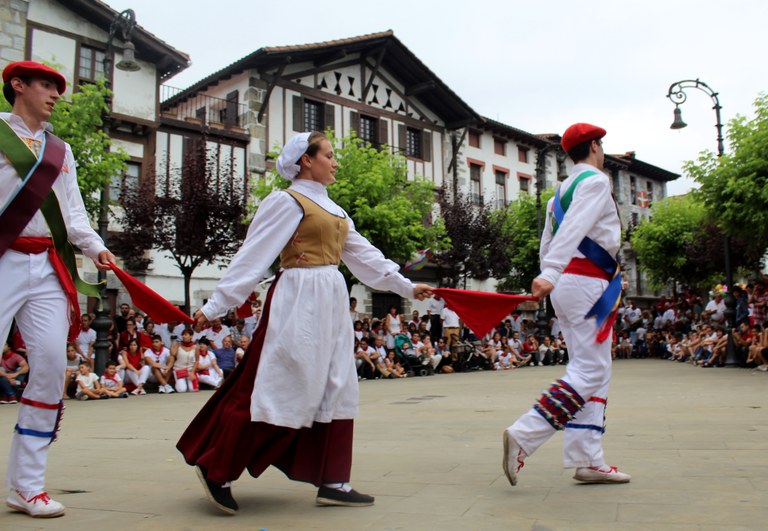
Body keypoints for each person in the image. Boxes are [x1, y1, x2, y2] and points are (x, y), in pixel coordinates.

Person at [177, 131, 432, 515]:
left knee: (338, 384)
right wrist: (216, 306)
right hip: (297, 298)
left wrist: (407, 287)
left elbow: (366, 257)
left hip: (330, 300)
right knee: (279, 383)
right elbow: (252, 256)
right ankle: (218, 468)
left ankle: (334, 480)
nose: (335, 162)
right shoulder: (286, 201)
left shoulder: (335, 210)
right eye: (328, 155)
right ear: (306, 160)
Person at [0, 61, 116, 518]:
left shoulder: (60, 150)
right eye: (46, 85)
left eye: (57, 88)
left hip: (47, 265)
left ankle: (27, 487)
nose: (54, 95)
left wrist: (96, 247)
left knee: (50, 365)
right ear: (18, 85)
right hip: (2, 257)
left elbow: (74, 214)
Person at [503, 123, 631, 487]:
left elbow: (549, 241)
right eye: (601, 145)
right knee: (591, 370)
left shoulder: (558, 193)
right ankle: (525, 434)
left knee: (591, 369)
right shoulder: (596, 182)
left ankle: (587, 459)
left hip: (570, 285)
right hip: (586, 283)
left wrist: (550, 274)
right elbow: (574, 228)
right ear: (595, 147)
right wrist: (551, 273)